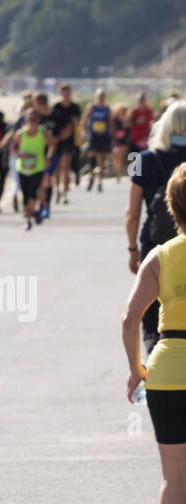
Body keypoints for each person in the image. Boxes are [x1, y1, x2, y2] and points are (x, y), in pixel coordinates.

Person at [119, 162, 186, 504]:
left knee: (175, 478)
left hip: (167, 371)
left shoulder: (159, 255)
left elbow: (129, 319)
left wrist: (135, 368)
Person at [126, 101, 186, 356]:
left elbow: (132, 212)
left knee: (151, 316)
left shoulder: (141, 159)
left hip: (155, 244)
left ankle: (155, 367)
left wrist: (132, 249)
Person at [0, 108, 51, 231]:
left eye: (34, 119)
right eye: (29, 119)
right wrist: (22, 155)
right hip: (22, 168)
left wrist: (48, 157)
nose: (32, 122)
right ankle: (29, 217)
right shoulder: (20, 134)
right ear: (25, 121)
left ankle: (30, 216)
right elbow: (13, 150)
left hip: (37, 168)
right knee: (25, 195)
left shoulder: (43, 133)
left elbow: (52, 144)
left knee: (33, 193)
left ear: (38, 121)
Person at [51, 85, 82, 204]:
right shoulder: (56, 107)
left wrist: (73, 127)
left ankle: (64, 191)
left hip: (69, 140)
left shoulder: (75, 107)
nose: (66, 95)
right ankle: (57, 189)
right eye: (64, 93)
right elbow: (51, 122)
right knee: (56, 167)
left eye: (68, 93)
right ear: (61, 93)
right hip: (56, 139)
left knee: (66, 166)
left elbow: (79, 122)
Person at [83, 88, 114, 192]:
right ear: (96, 96)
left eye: (103, 96)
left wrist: (112, 138)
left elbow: (110, 123)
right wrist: (83, 131)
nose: (101, 98)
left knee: (102, 158)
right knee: (91, 156)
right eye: (99, 96)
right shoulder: (91, 107)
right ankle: (91, 176)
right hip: (93, 136)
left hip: (104, 136)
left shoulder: (107, 109)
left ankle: (100, 181)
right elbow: (84, 120)